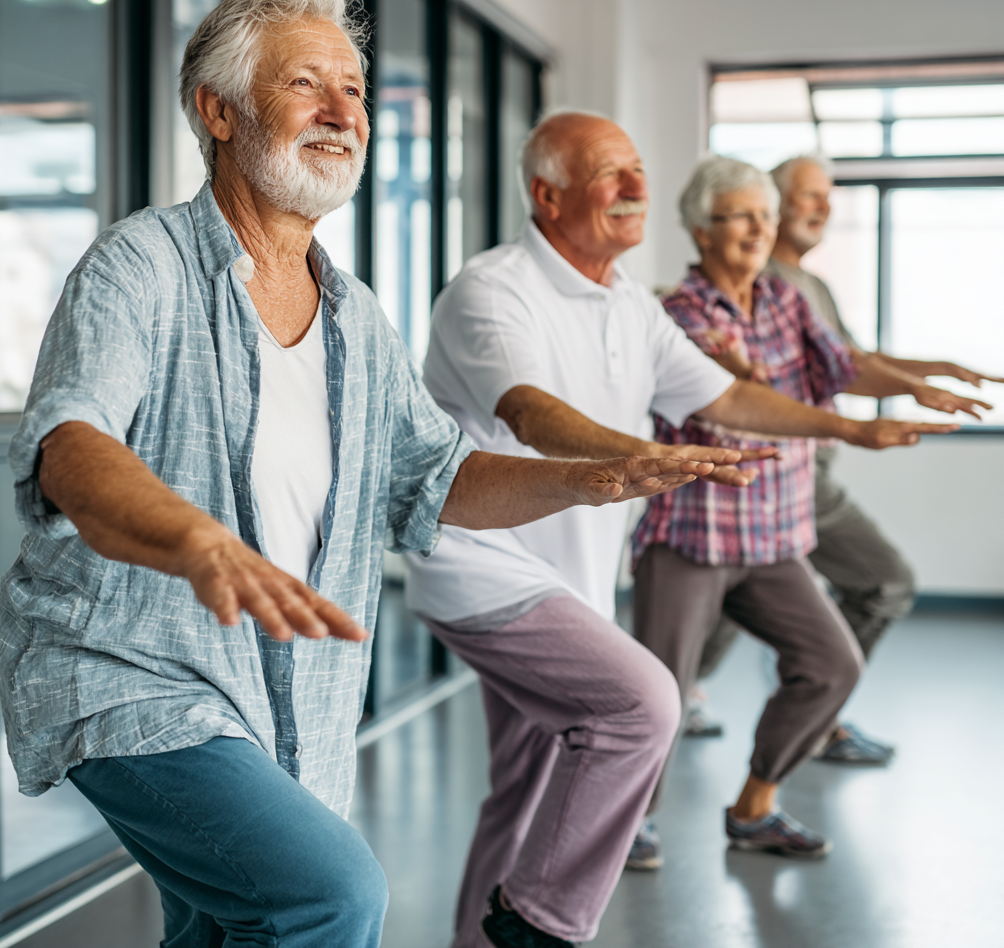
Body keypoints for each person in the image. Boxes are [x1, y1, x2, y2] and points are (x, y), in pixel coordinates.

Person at [0, 0, 707, 948]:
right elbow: (74, 447)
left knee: (226, 923)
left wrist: (588, 481)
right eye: (306, 85)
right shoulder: (140, 266)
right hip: (130, 675)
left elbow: (437, 476)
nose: (342, 112)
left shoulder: (353, 318)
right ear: (218, 109)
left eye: (356, 90)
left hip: (275, 696)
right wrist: (198, 539)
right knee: (326, 894)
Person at [404, 116, 951, 948]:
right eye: (610, 174)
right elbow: (527, 411)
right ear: (547, 195)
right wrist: (638, 456)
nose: (636, 187)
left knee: (525, 789)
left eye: (637, 170)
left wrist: (845, 429)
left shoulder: (629, 303)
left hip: (571, 580)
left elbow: (724, 399)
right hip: (481, 567)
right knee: (644, 703)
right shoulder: (491, 289)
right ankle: (539, 925)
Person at [629, 155, 959, 867]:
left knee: (832, 665)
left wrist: (914, 385)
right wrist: (840, 423)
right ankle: (628, 823)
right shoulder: (679, 313)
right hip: (693, 536)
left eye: (766, 217)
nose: (760, 229)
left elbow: (842, 364)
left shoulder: (786, 298)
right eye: (743, 215)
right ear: (700, 228)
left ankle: (754, 809)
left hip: (775, 536)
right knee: (659, 698)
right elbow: (733, 404)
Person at [694, 154, 1001, 764]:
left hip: (802, 475)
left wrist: (930, 372)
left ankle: (789, 713)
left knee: (737, 603)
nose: (823, 208)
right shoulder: (760, 287)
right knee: (869, 583)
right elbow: (799, 378)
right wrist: (902, 395)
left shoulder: (811, 287)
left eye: (827, 197)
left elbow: (849, 360)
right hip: (769, 477)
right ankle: (794, 712)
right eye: (806, 196)